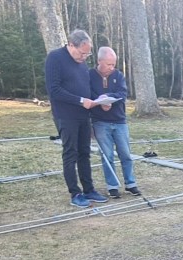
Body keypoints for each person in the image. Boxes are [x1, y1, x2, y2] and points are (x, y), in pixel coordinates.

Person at [44, 29, 108, 208]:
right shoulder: (55, 58)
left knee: (84, 153)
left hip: (83, 115)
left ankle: (89, 189)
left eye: (87, 54)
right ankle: (75, 193)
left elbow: (84, 87)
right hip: (66, 115)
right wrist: (80, 101)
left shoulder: (81, 63)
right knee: (70, 153)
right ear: (71, 45)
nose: (84, 57)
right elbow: (54, 90)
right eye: (82, 53)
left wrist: (98, 100)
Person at [89, 46, 141, 199]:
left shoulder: (118, 75)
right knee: (107, 155)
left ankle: (130, 183)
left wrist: (110, 98)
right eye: (109, 64)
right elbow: (88, 94)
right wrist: (99, 102)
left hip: (119, 121)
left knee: (126, 154)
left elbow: (122, 93)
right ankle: (112, 186)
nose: (112, 67)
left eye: (113, 64)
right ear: (99, 61)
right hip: (100, 122)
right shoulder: (89, 75)